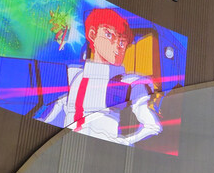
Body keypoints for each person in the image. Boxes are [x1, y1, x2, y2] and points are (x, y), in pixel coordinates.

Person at [39, 8, 163, 145]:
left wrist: (123, 142)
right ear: (93, 35)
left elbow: (153, 127)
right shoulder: (73, 75)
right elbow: (55, 112)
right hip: (65, 146)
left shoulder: (130, 83)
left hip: (100, 152)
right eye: (109, 35)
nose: (117, 47)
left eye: (122, 42)